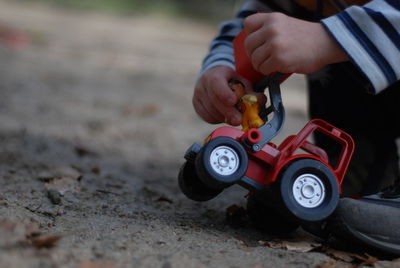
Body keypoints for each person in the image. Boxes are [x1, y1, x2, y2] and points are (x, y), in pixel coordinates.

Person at [193, 0, 400, 255]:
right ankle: (365, 181)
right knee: (348, 203)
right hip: (360, 109)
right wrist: (226, 67)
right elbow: (257, 19)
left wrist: (329, 38)